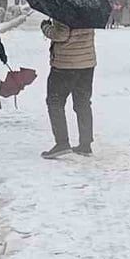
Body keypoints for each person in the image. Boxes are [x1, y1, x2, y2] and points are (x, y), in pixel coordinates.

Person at [40, 19, 97, 158]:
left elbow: (61, 35)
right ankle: (85, 144)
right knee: (82, 103)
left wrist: (46, 27)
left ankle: (62, 143)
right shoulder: (89, 9)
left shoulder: (63, 11)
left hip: (65, 64)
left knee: (55, 102)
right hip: (86, 63)